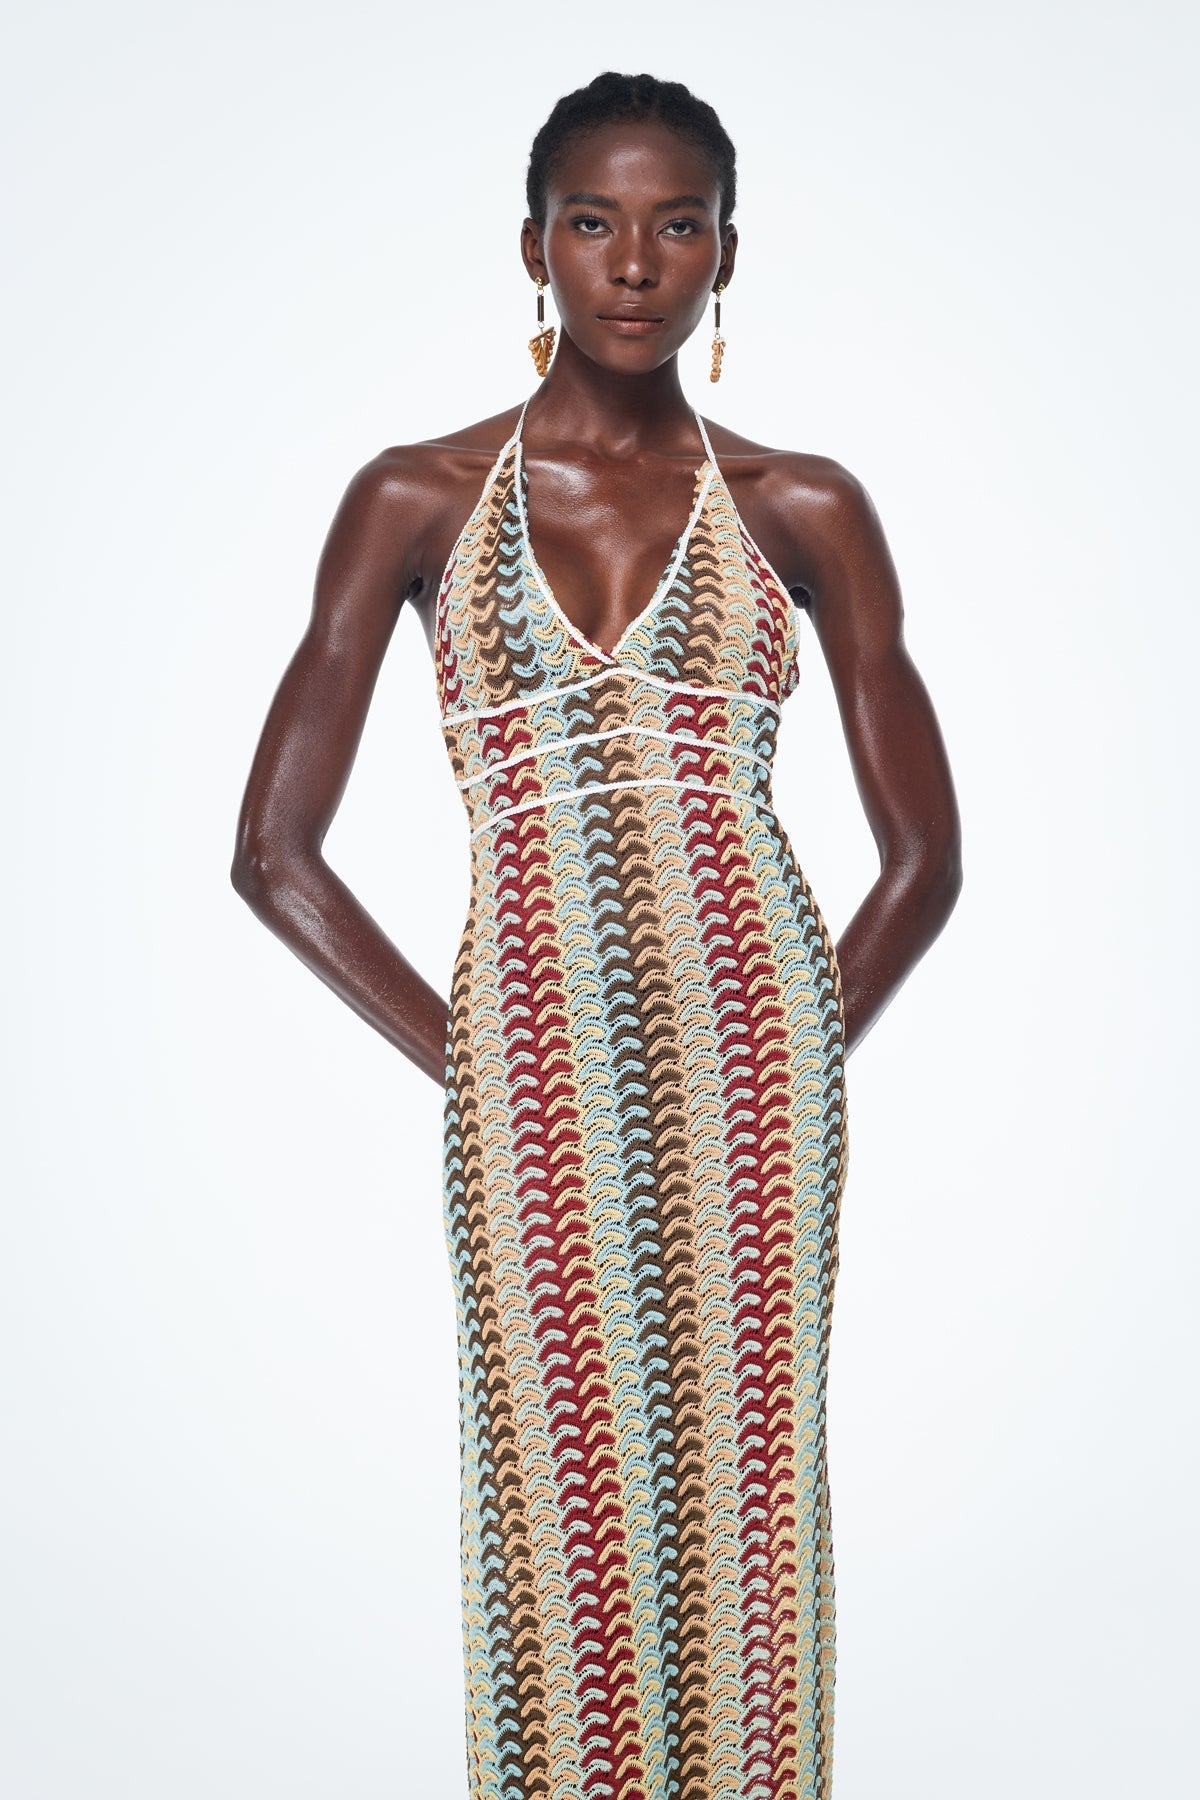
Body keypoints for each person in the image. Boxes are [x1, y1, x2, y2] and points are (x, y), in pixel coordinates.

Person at [231, 69, 961, 1800]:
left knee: (748, 1499)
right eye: (593, 222)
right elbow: (273, 855)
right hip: (527, 1082)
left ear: (726, 255)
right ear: (534, 246)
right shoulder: (417, 497)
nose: (635, 263)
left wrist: (789, 1048)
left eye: (677, 225)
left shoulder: (801, 505)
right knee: (550, 1492)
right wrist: (483, 1056)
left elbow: (925, 858)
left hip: (762, 1086)